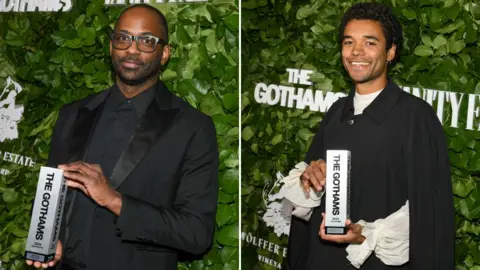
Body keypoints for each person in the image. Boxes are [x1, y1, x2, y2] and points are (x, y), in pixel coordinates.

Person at [26, 4, 219, 270]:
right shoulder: (73, 113)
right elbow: (54, 193)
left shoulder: (193, 127)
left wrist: (114, 200)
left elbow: (196, 233)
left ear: (165, 54)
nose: (132, 49)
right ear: (111, 47)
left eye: (146, 41)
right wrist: (49, 241)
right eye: (123, 38)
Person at [285, 2, 454, 269]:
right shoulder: (337, 111)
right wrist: (310, 177)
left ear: (391, 52)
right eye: (349, 42)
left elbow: (429, 216)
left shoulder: (415, 117)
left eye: (370, 43)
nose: (356, 52)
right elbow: (305, 195)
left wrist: (364, 234)